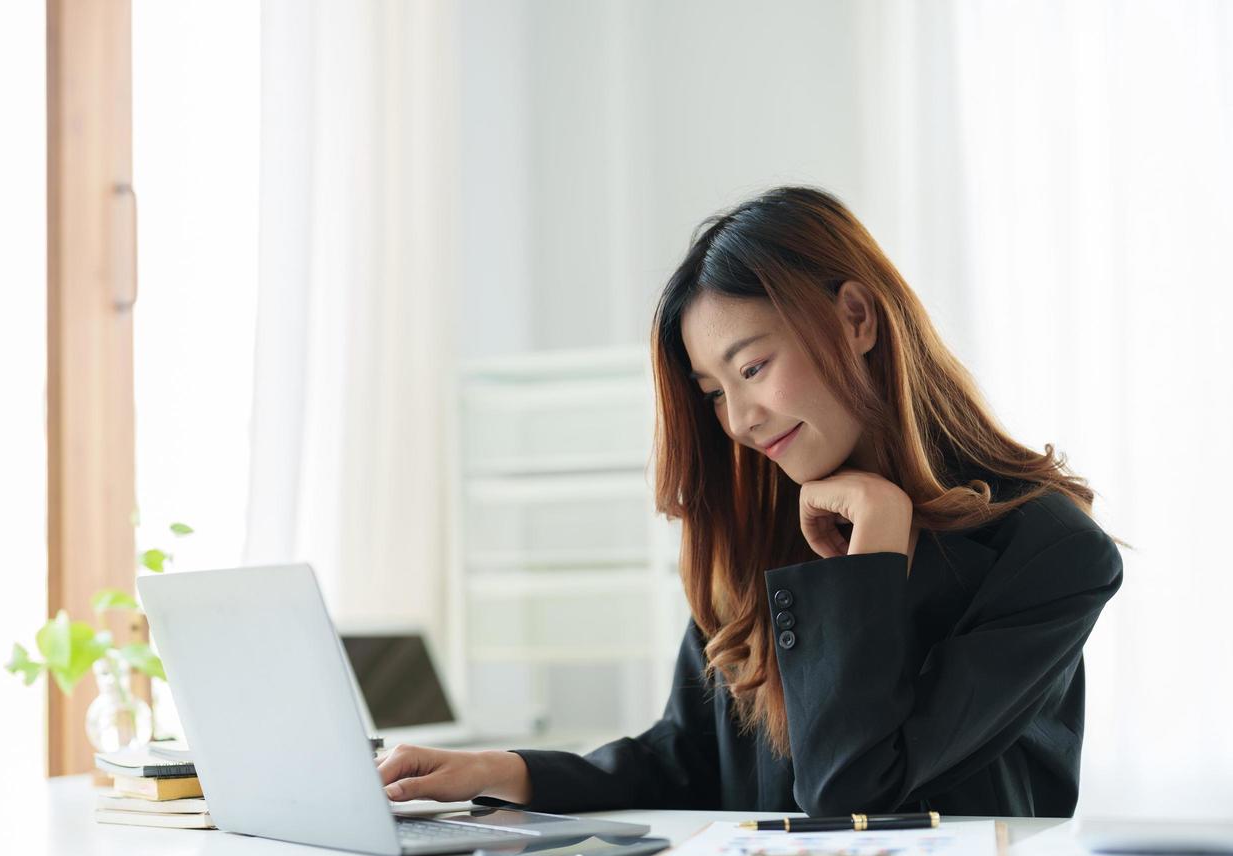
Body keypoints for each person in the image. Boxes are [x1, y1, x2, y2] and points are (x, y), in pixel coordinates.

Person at [378, 186, 1124, 819]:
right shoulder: (761, 530)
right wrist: (503, 770)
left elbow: (852, 797)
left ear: (857, 319)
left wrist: (876, 545)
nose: (739, 419)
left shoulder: (1048, 551)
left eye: (754, 367)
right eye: (714, 394)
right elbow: (687, 756)